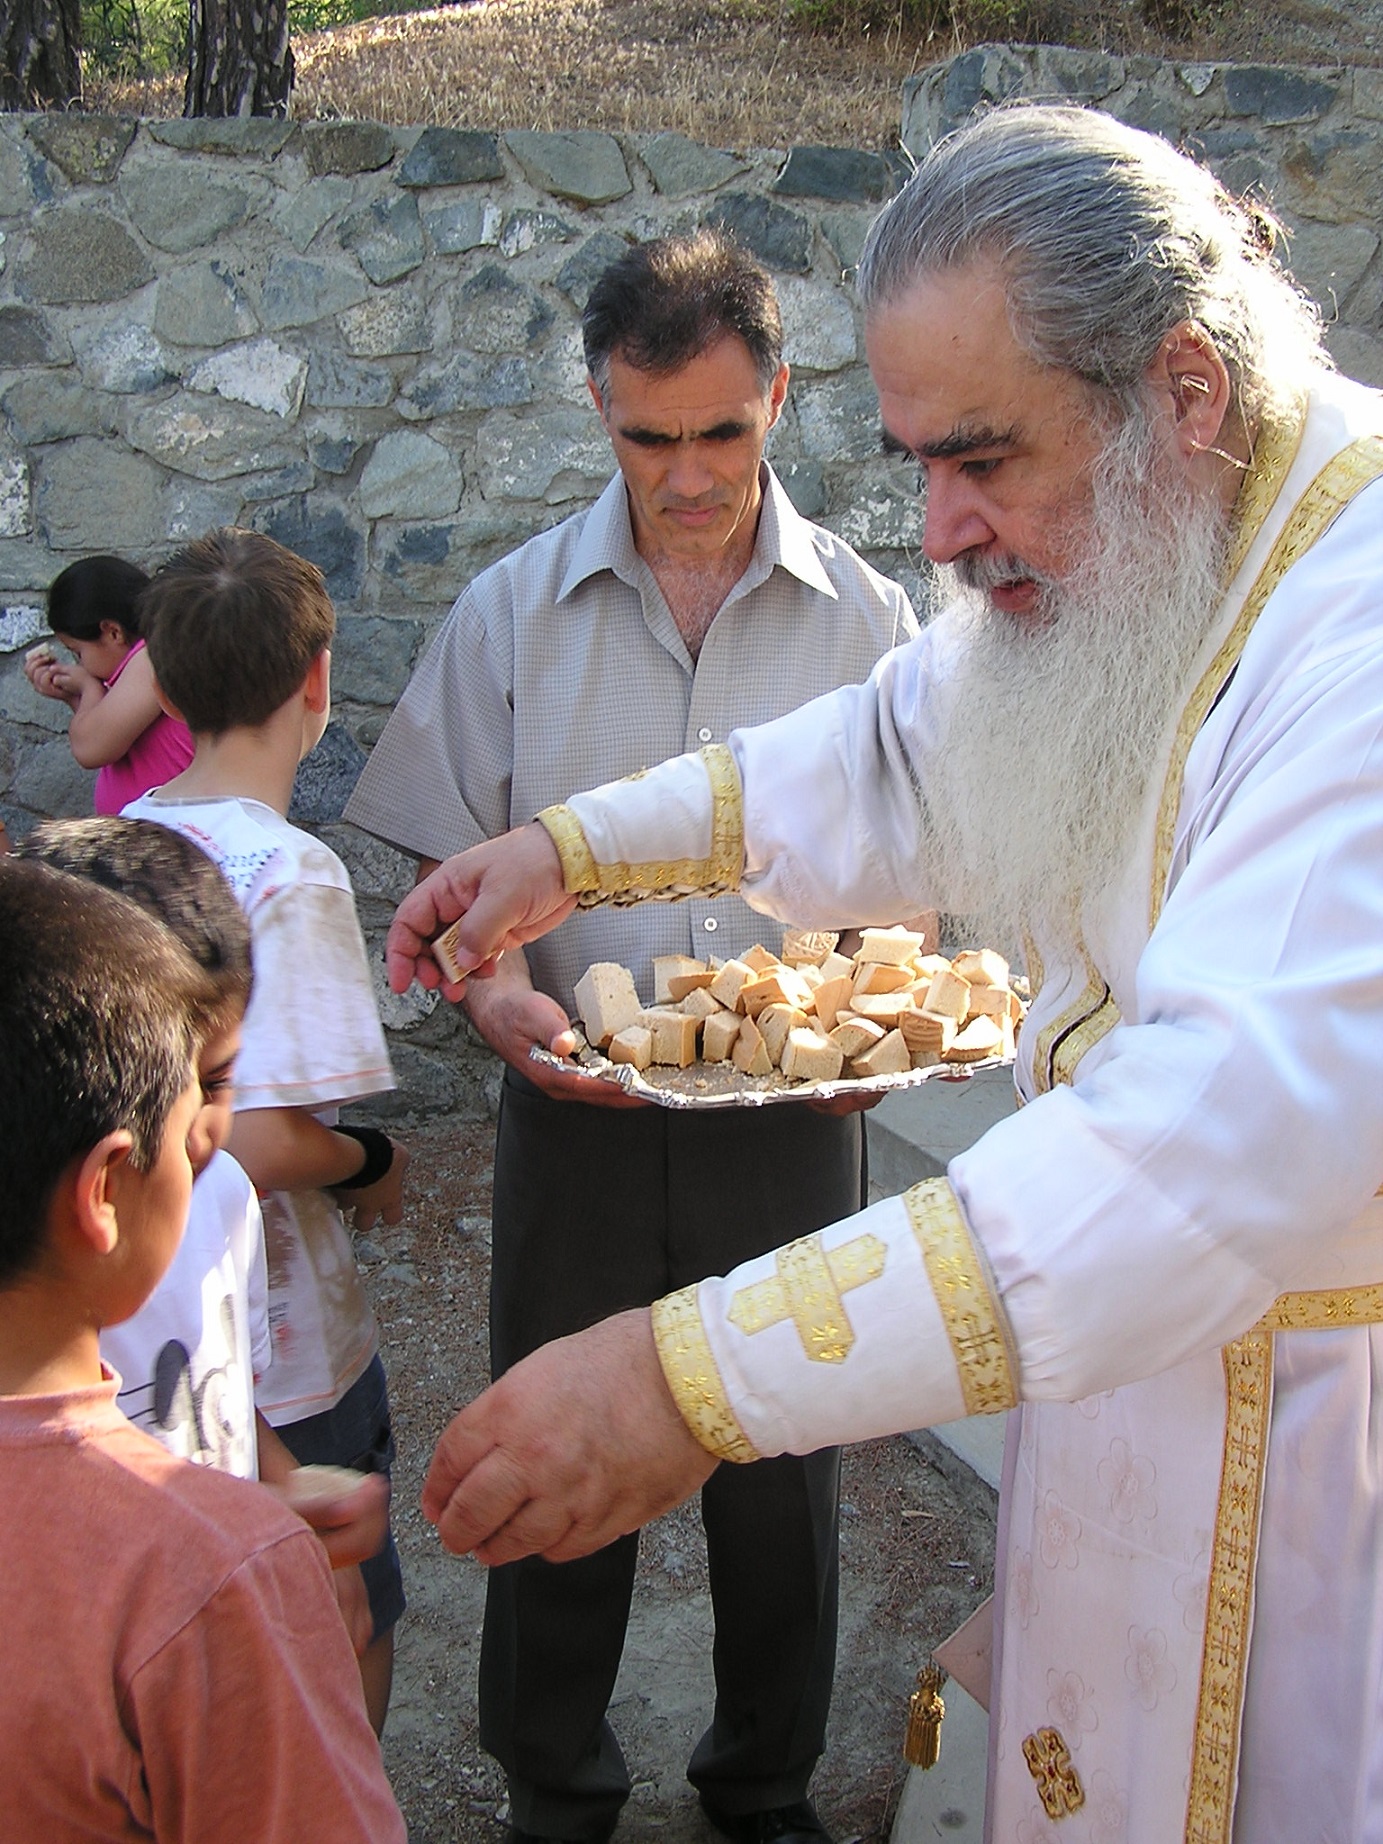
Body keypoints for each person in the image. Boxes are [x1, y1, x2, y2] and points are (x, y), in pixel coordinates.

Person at [387, 105, 1383, 1844]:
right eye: (914, 459)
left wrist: (682, 1379)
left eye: (979, 458)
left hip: (1325, 1481)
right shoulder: (1157, 531)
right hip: (1130, 1393)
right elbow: (883, 748)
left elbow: (1201, 1143)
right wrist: (564, 853)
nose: (933, 529)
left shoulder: (1355, 619)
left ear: (1183, 390)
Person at [346, 228, 918, 1844]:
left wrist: (885, 992)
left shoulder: (872, 624)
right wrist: (489, 996)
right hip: (573, 1108)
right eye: (646, 437)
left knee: (781, 1457)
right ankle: (552, 1785)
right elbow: (445, 870)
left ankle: (761, 1786)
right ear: (598, 409)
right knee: (547, 1441)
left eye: (722, 432)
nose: (686, 476)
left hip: (794, 1119)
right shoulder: (512, 610)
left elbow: (919, 885)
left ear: (781, 399)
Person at [0, 855, 406, 1843]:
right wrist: (254, 1536)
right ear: (104, 1190)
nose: (209, 1148)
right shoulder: (209, 1574)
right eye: (191, 1118)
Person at [122, 528, 411, 1737]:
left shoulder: (98, 848)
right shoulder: (295, 875)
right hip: (280, 1343)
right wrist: (373, 1163)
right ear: (319, 680)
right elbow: (262, 1140)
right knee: (345, 1627)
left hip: (137, 1342)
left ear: (168, 691)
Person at [24, 554, 194, 813]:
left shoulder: (151, 658)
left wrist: (88, 688)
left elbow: (91, 748)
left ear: (113, 632)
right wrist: (75, 698)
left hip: (173, 838)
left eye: (78, 652)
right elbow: (113, 735)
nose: (81, 665)